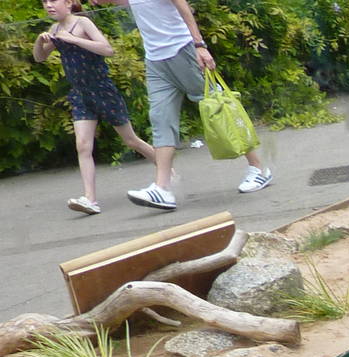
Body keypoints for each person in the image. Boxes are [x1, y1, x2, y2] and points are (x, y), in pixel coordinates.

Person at [94, 0, 272, 210]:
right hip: (155, 60)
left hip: (182, 51)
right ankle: (162, 189)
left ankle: (258, 168)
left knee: (218, 107)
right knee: (160, 119)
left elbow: (184, 8)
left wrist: (199, 46)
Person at [32, 0, 157, 215]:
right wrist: (39, 40)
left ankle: (166, 171)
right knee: (82, 146)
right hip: (80, 95)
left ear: (69, 3)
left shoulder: (82, 23)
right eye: (45, 2)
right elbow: (39, 57)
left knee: (130, 140)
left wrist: (73, 39)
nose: (49, 5)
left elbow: (107, 49)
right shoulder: (55, 29)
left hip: (102, 91)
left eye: (53, 0)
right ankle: (90, 199)